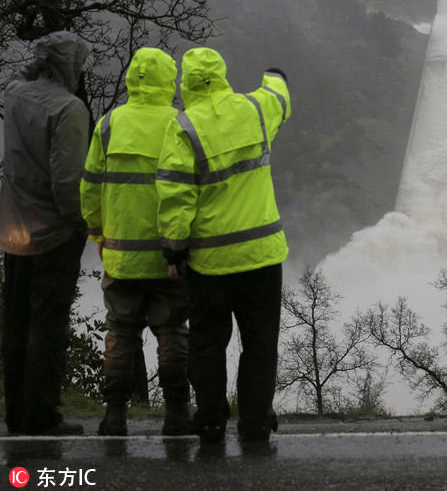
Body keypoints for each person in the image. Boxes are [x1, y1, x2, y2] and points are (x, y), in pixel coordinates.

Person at [156, 48, 290, 444]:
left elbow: (176, 195)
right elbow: (280, 94)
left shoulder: (185, 128)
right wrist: (273, 71)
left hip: (211, 261)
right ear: (223, 74)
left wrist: (175, 250)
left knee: (208, 343)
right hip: (262, 256)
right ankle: (255, 422)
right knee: (261, 342)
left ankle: (212, 418)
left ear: (186, 83)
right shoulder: (254, 110)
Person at [80, 47, 192, 436]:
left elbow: (90, 189)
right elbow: (189, 191)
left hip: (121, 255)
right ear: (168, 81)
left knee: (121, 332)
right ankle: (177, 413)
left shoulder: (109, 125)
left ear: (132, 79)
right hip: (167, 256)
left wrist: (97, 234)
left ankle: (114, 414)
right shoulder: (179, 124)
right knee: (173, 329)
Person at [0, 31, 91, 435]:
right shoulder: (69, 109)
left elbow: (16, 77)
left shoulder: (16, 95)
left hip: (13, 229)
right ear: (70, 66)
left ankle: (17, 413)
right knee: (48, 326)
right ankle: (42, 414)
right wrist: (80, 221)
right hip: (53, 234)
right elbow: (67, 182)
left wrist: (36, 63)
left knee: (16, 323)